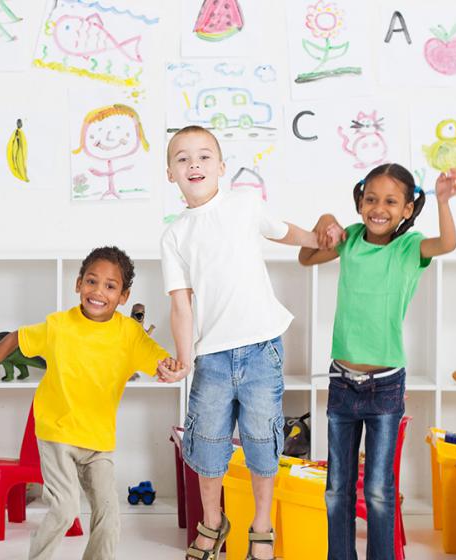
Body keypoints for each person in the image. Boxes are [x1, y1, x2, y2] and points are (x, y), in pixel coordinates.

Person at [158, 125, 320, 560]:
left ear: (222, 167)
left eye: (204, 156)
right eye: (183, 158)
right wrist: (184, 357)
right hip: (211, 356)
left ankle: (261, 527)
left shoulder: (245, 203)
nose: (194, 164)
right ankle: (213, 522)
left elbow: (283, 231)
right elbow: (181, 305)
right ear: (170, 174)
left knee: (261, 443)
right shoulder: (174, 236)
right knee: (207, 445)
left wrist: (315, 239)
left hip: (261, 348)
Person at [0, 246, 182, 560]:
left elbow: (160, 361)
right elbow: (13, 339)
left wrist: (170, 367)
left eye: (110, 286)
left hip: (98, 441)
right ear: (78, 283)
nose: (98, 292)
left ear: (124, 296)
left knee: (109, 515)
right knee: (65, 509)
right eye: (91, 281)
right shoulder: (58, 326)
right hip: (56, 432)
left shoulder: (130, 334)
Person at [298, 163, 456, 560]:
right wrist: (325, 220)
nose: (378, 207)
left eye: (390, 201)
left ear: (407, 209)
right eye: (370, 198)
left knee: (378, 490)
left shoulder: (410, 247)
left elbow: (448, 244)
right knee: (337, 486)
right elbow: (306, 257)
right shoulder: (350, 239)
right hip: (341, 380)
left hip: (385, 385)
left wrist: (442, 201)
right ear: (359, 201)